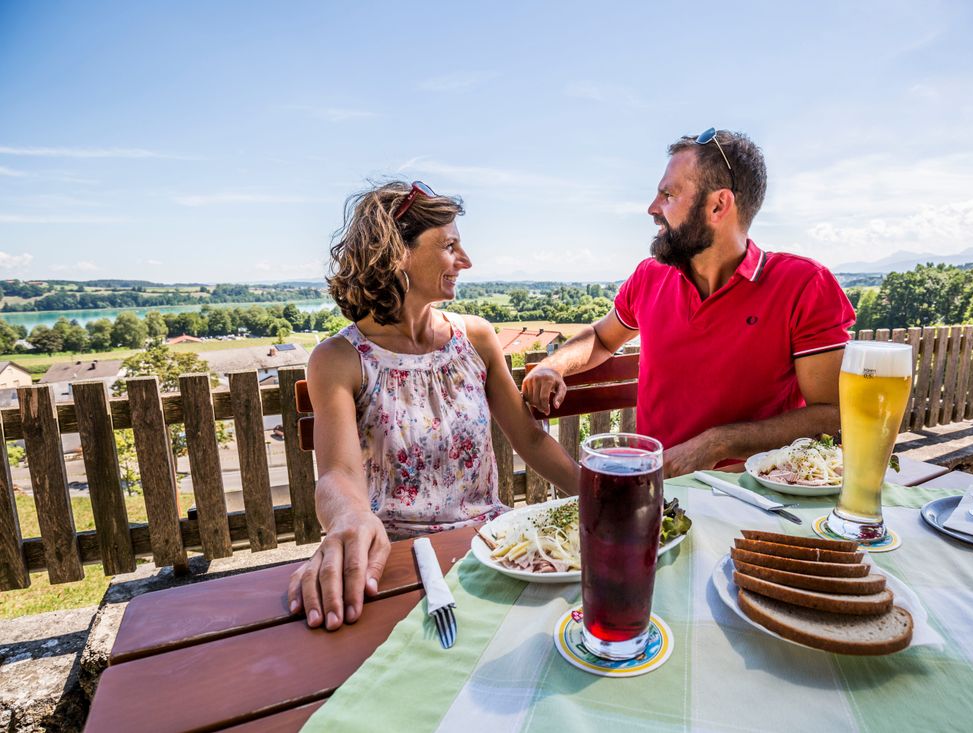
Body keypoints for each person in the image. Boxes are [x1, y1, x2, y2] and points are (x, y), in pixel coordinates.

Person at [288, 181, 580, 631]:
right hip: (395, 557)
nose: (465, 261)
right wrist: (349, 517)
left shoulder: (476, 338)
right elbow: (337, 475)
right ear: (396, 253)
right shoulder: (338, 359)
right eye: (449, 246)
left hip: (492, 545)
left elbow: (530, 439)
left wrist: (602, 497)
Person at [523, 129, 855, 477]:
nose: (652, 209)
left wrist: (717, 443)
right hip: (658, 492)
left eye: (668, 194)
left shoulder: (804, 284)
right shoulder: (650, 276)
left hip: (755, 495)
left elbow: (832, 415)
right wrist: (554, 365)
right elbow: (603, 338)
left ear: (718, 205)